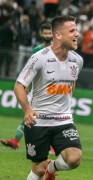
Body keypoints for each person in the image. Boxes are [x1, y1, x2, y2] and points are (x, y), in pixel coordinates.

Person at [14, 16, 83, 180]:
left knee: (74, 158)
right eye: (72, 31)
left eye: (77, 30)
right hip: (39, 122)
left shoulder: (77, 61)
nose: (77, 34)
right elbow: (18, 85)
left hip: (63, 121)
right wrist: (28, 110)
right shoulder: (40, 58)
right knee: (38, 169)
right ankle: (44, 170)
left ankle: (51, 169)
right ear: (58, 35)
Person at [1, 22, 53, 152]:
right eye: (45, 32)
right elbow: (31, 69)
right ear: (41, 34)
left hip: (53, 89)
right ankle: (17, 140)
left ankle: (18, 140)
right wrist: (27, 85)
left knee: (50, 116)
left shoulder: (57, 49)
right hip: (39, 89)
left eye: (49, 33)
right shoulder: (37, 50)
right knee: (32, 114)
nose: (47, 35)